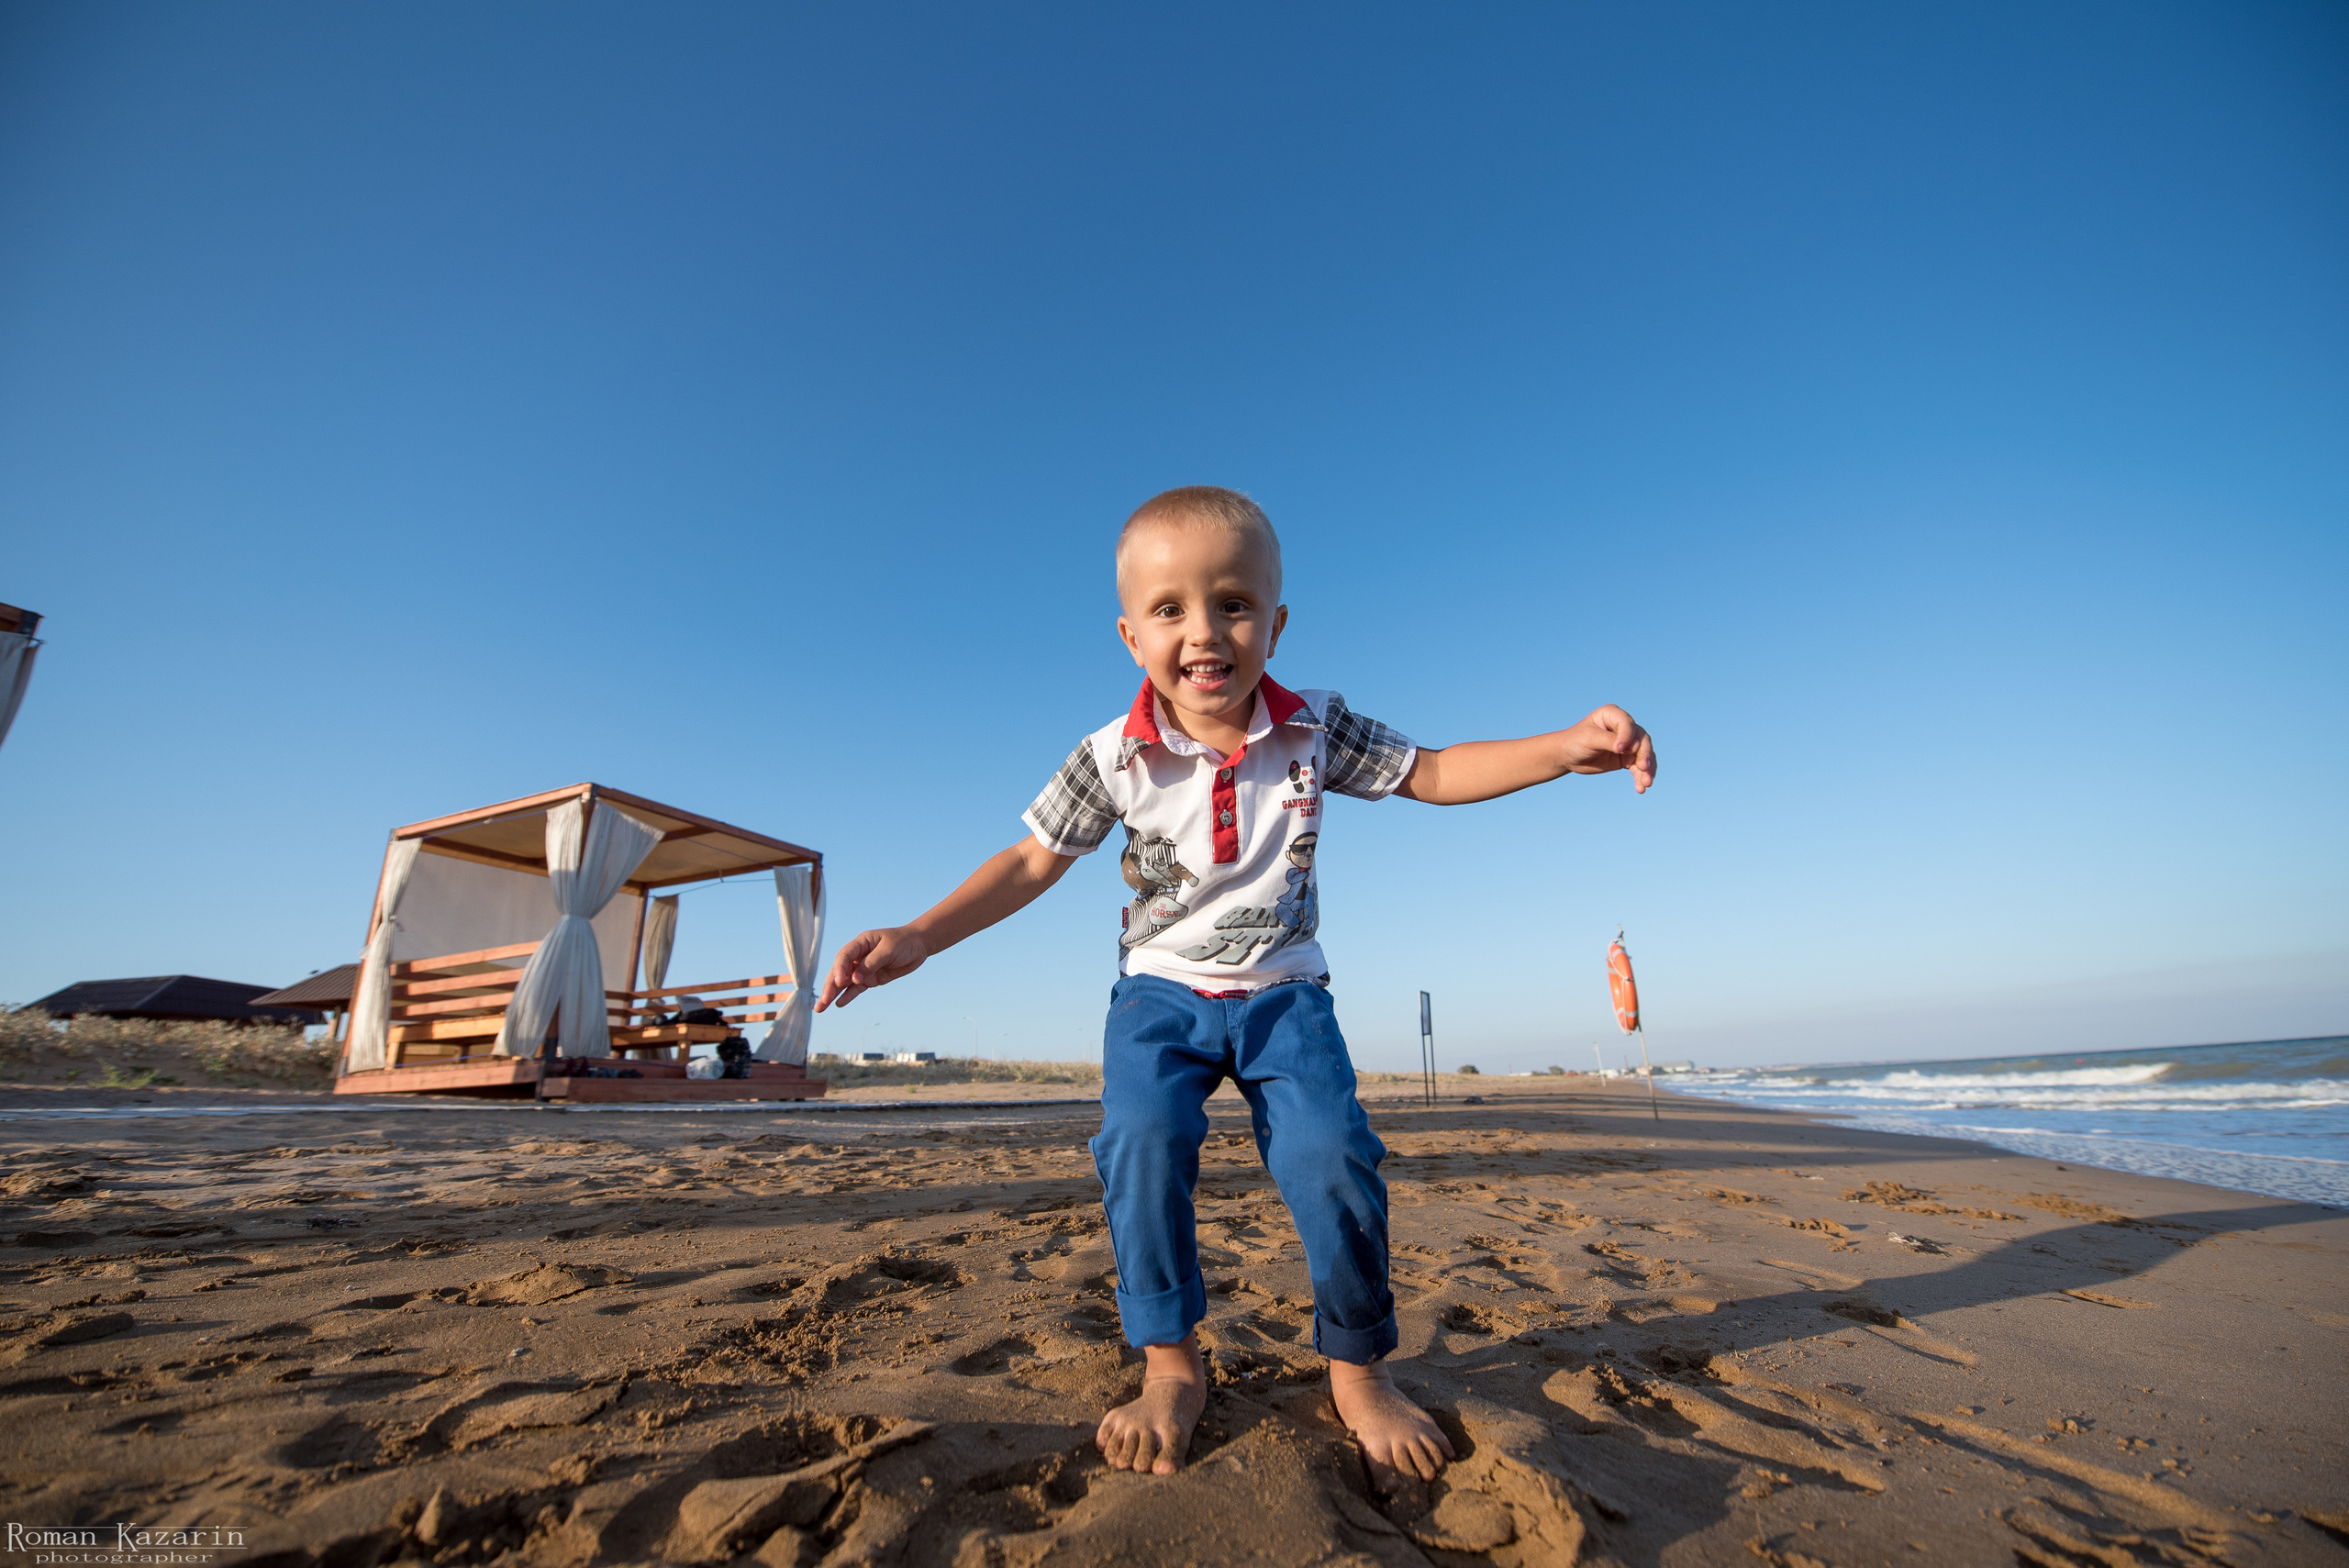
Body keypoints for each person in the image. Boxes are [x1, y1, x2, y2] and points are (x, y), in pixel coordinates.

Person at [817, 485, 1657, 1487]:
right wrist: (919, 934)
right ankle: (1170, 1364)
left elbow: (1432, 771)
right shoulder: (1110, 755)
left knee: (1333, 1155)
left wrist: (1565, 750)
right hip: (1159, 996)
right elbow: (1030, 861)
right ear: (1131, 635)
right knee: (1141, 1142)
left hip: (1285, 996)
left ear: (1276, 621)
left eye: (1232, 603)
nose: (1204, 631)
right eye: (1170, 609)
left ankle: (1356, 1369)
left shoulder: (1314, 729)